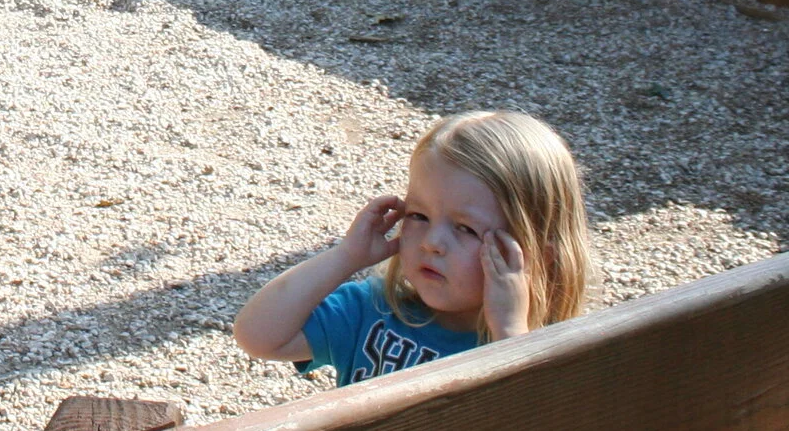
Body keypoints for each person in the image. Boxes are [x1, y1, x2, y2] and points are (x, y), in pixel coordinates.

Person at [232, 110, 593, 381]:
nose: (432, 243)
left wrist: (509, 333)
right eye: (419, 216)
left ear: (535, 258)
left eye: (465, 229)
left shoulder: (547, 353)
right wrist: (346, 257)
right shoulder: (372, 311)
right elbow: (257, 336)